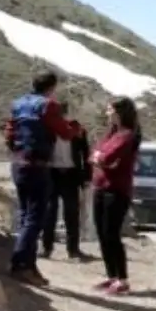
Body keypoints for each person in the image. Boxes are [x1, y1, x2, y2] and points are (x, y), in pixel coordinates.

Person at [3, 70, 83, 286]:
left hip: (18, 164)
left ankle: (30, 266)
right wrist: (75, 128)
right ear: (51, 88)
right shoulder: (48, 106)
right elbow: (65, 133)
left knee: (24, 215)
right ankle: (19, 263)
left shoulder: (18, 104)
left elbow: (9, 134)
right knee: (35, 217)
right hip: (37, 166)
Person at [91, 96, 142, 295]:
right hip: (100, 186)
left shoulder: (127, 135)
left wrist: (101, 159)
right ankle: (111, 276)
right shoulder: (112, 134)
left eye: (110, 110)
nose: (107, 113)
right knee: (102, 234)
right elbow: (95, 154)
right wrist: (100, 159)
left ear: (119, 113)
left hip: (117, 189)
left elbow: (106, 157)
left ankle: (122, 279)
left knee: (112, 234)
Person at [41, 101, 91, 261]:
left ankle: (73, 250)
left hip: (71, 175)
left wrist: (87, 177)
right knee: (49, 212)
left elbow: (86, 154)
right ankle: (46, 247)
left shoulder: (77, 130)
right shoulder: (47, 130)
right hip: (52, 173)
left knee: (71, 213)